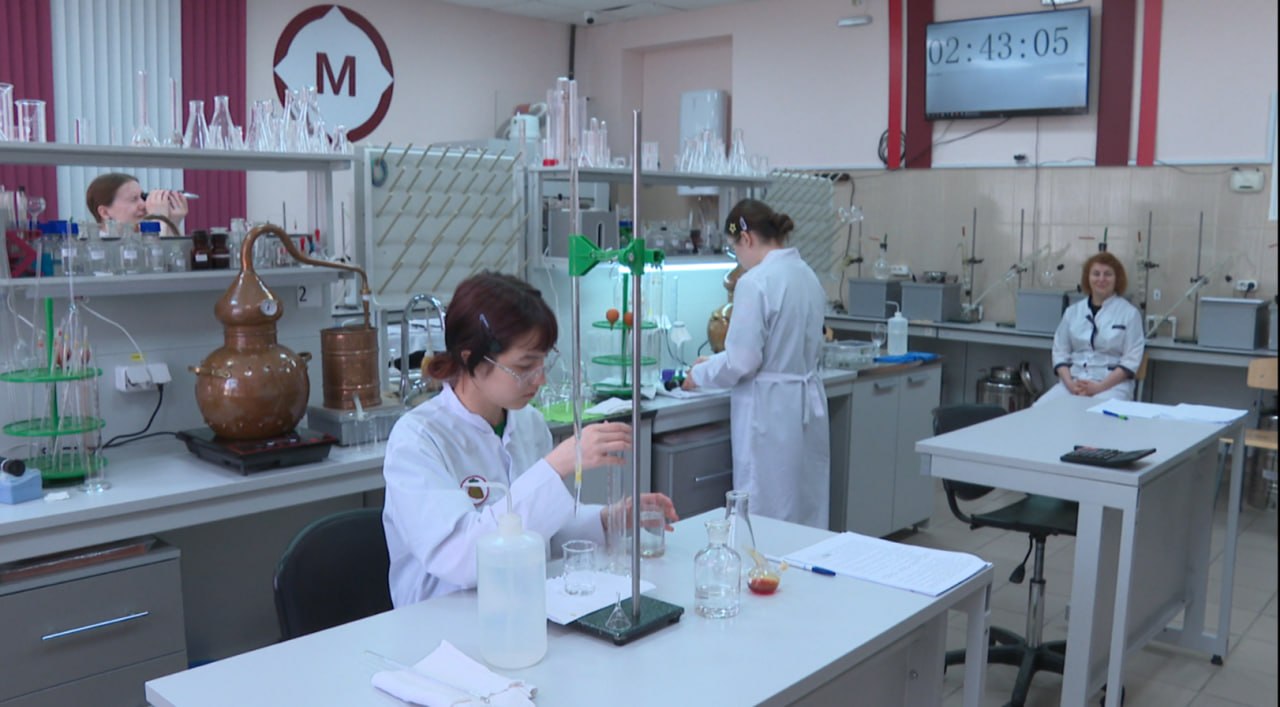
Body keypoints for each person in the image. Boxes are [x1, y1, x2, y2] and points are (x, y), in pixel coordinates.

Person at [382, 272, 677, 607]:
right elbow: (460, 558)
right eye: (525, 366)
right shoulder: (418, 440)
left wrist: (607, 520)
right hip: (440, 618)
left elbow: (540, 531)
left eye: (543, 362)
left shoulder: (528, 422)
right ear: (470, 358)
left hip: (518, 607)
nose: (540, 380)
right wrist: (555, 467)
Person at [682, 199, 830, 528]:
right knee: (805, 506)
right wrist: (716, 361)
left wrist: (700, 373)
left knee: (767, 513)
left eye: (735, 249)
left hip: (770, 412)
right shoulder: (806, 275)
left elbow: (743, 361)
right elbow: (772, 347)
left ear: (746, 239)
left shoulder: (755, 282)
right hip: (804, 402)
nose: (738, 259)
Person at [1037, 252, 1145, 404]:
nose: (1101, 279)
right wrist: (1071, 385)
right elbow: (1060, 352)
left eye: (1108, 274)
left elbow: (1130, 360)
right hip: (1074, 383)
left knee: (1094, 413)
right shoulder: (1073, 312)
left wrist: (1098, 388)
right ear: (1088, 278)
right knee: (1039, 408)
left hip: (1111, 386)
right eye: (1096, 274)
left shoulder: (1129, 314)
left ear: (1117, 279)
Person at [85, 172, 188, 235]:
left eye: (142, 197)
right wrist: (159, 219)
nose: (143, 205)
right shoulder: (98, 249)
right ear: (104, 212)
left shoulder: (139, 239)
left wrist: (173, 222)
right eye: (133, 199)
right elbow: (156, 260)